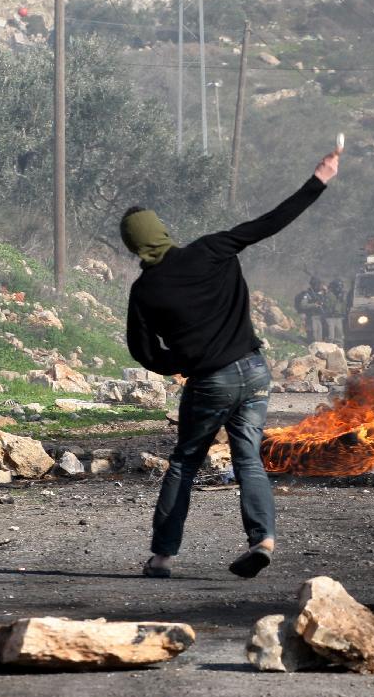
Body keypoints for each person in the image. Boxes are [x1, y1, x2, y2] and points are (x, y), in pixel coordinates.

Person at [121, 149, 340, 580]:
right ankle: (262, 539)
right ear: (162, 231)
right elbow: (270, 222)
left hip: (210, 381)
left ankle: (163, 557)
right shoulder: (212, 250)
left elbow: (143, 351)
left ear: (134, 245)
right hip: (255, 372)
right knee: (249, 458)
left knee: (185, 462)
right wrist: (319, 180)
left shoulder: (145, 291)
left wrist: (178, 362)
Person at [295, 276, 325, 343]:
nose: (318, 286)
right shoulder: (307, 294)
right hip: (311, 317)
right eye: (317, 284)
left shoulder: (320, 294)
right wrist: (314, 305)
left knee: (319, 336)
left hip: (319, 318)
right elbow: (303, 305)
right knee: (313, 337)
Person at [323, 278, 346, 345]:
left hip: (339, 318)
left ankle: (340, 350)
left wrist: (344, 314)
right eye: (338, 286)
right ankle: (328, 351)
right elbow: (328, 307)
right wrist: (338, 300)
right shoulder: (329, 295)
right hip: (330, 318)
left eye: (341, 286)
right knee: (331, 337)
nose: (340, 288)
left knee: (339, 337)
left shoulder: (341, 296)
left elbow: (343, 306)